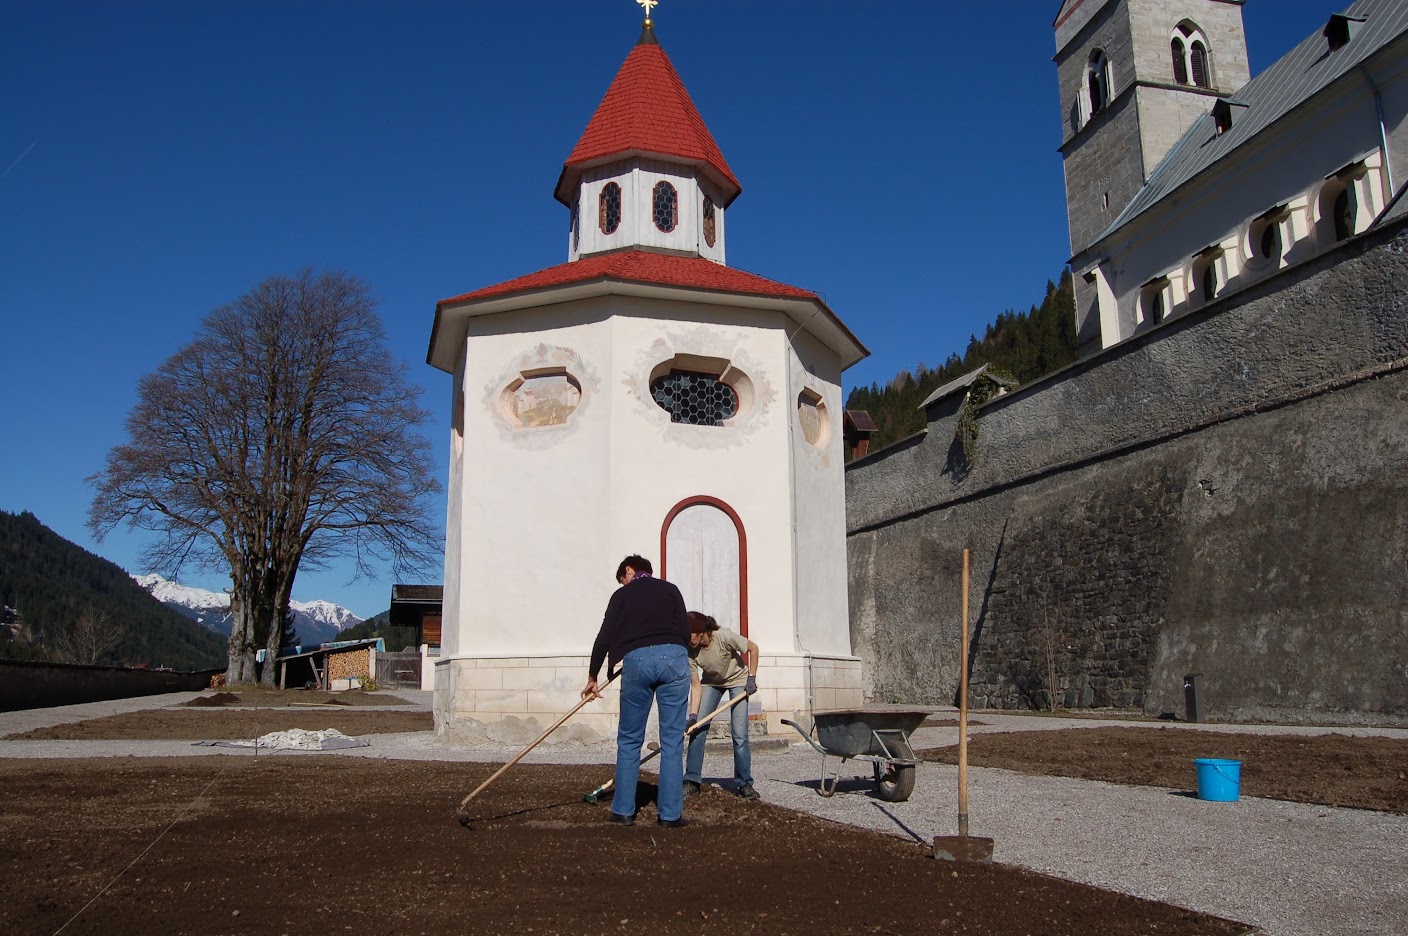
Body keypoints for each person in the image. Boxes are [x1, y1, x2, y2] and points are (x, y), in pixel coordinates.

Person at [582, 554, 691, 828]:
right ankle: (669, 816)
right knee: (672, 741)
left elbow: (604, 636)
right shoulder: (670, 589)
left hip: (637, 661)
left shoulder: (622, 596)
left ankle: (623, 811)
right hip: (674, 659)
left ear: (629, 570)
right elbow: (685, 630)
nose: (623, 583)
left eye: (623, 578)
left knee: (630, 739)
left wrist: (594, 675)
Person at [683, 611, 760, 800]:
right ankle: (691, 780)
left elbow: (753, 648)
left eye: (690, 634)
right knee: (697, 730)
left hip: (738, 681)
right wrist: (693, 715)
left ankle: (744, 783)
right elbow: (695, 684)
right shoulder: (690, 649)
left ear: (702, 632)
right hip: (711, 683)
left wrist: (751, 678)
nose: (687, 638)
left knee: (739, 734)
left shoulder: (723, 636)